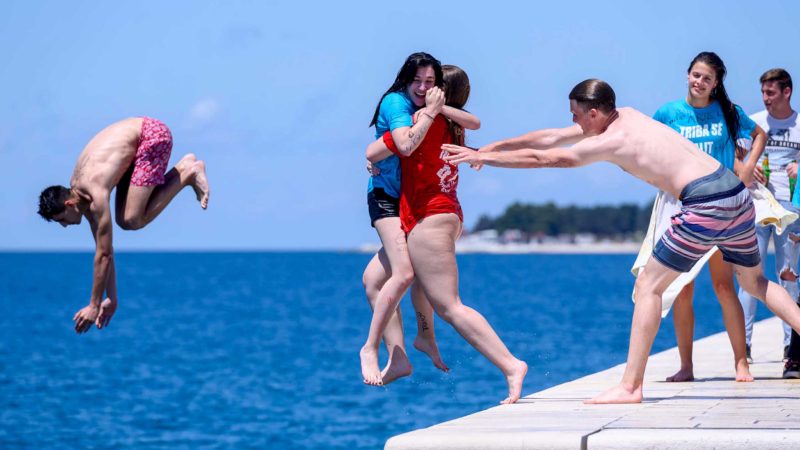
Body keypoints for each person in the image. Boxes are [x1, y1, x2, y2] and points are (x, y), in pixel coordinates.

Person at [442, 78, 800, 404]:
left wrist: (485, 158)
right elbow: (551, 137)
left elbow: (547, 157)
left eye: (578, 117)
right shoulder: (628, 114)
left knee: (648, 286)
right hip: (735, 193)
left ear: (595, 113)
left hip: (704, 202)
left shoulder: (612, 141)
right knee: (754, 282)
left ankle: (630, 387)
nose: (576, 124)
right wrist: (492, 146)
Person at [367, 64, 528, 403]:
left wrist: (375, 158)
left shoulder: (426, 120)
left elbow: (377, 150)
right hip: (442, 214)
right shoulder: (451, 123)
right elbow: (472, 122)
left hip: (431, 217)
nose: (424, 89)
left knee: (451, 306)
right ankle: (416, 344)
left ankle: (511, 365)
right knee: (374, 280)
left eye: (432, 84)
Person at [651, 52, 766, 383]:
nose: (699, 82)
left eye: (707, 78)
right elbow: (649, 148)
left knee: (723, 285)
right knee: (683, 288)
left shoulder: (726, 112)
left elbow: (759, 134)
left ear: (716, 84)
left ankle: (741, 363)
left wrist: (744, 169)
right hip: (684, 208)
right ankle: (686, 367)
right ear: (687, 75)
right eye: (695, 75)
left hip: (721, 209)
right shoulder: (669, 113)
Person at [37, 117, 210, 333]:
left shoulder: (94, 192)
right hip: (137, 142)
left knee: (132, 220)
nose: (64, 226)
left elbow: (104, 257)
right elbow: (104, 251)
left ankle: (186, 172)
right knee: (124, 220)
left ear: (70, 204)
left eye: (61, 219)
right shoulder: (84, 198)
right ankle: (184, 170)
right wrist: (112, 298)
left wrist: (94, 305)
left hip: (152, 136)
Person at [360, 52, 450, 386]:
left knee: (373, 281)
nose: (424, 88)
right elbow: (406, 145)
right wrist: (428, 114)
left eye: (430, 82)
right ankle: (370, 348)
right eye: (418, 81)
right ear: (405, 80)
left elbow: (471, 123)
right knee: (406, 272)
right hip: (386, 200)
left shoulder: (428, 106)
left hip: (411, 202)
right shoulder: (396, 104)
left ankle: (400, 356)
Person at [737, 69, 800, 376]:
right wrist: (747, 167)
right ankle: (743, 345)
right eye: (763, 92)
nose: (765, 99)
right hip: (757, 208)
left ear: (787, 92)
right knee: (750, 277)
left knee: (789, 277)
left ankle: (792, 345)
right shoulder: (754, 122)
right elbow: (735, 155)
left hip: (791, 211)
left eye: (771, 93)